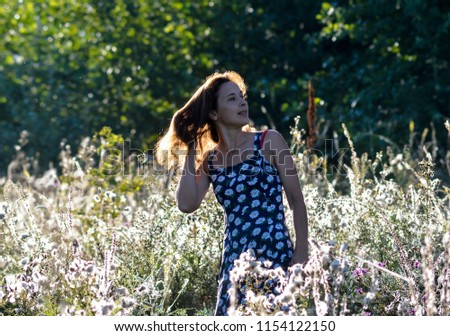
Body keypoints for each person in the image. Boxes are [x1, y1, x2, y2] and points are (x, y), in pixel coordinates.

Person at [155, 71, 308, 315]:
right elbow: (186, 204)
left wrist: (301, 252)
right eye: (232, 99)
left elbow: (296, 201)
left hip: (275, 254)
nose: (242, 102)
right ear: (214, 113)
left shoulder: (269, 141)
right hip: (234, 262)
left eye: (241, 97)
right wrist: (191, 146)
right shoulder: (211, 160)